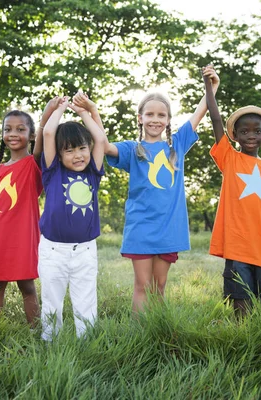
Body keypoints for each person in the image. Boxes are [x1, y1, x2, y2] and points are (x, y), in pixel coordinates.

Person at [104, 66, 220, 314]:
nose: (155, 119)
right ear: (140, 118)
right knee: (142, 285)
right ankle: (138, 336)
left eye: (161, 115)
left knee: (159, 286)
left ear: (168, 120)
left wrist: (211, 88)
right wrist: (91, 112)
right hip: (141, 226)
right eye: (150, 114)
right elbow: (103, 146)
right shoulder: (131, 150)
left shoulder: (177, 145)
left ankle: (156, 334)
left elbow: (201, 112)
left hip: (169, 227)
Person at [203, 68, 261, 318]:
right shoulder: (230, 159)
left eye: (256, 130)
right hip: (238, 246)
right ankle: (241, 339)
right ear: (235, 136)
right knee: (241, 302)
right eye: (244, 131)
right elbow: (216, 120)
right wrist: (209, 85)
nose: (251, 135)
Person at [0, 104, 55, 327]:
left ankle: (36, 332)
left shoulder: (33, 165)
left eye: (20, 129)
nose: (13, 134)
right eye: (8, 129)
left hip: (24, 236)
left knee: (27, 285)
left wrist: (47, 113)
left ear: (31, 134)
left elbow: (43, 141)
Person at [38, 93, 106, 341]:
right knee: (52, 301)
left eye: (82, 148)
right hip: (53, 250)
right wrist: (61, 108)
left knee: (86, 301)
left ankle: (87, 345)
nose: (78, 155)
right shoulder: (52, 171)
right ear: (58, 154)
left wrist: (84, 113)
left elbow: (100, 138)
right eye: (69, 151)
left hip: (85, 250)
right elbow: (47, 134)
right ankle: (49, 343)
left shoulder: (93, 173)